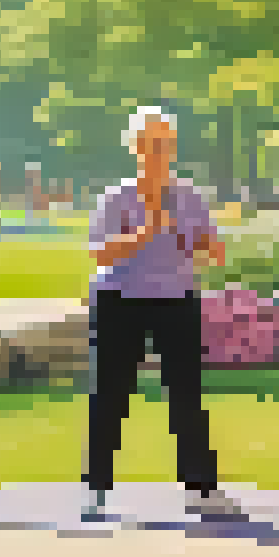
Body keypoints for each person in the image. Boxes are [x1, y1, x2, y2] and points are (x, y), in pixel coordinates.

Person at [84, 105, 237, 522]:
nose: (159, 152)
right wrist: (143, 233)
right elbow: (99, 251)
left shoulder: (188, 196)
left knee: (186, 392)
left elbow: (213, 249)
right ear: (134, 148)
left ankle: (201, 487)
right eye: (151, 144)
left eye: (166, 144)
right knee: (110, 393)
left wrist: (202, 244)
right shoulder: (117, 197)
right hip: (121, 301)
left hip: (177, 299)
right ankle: (96, 486)